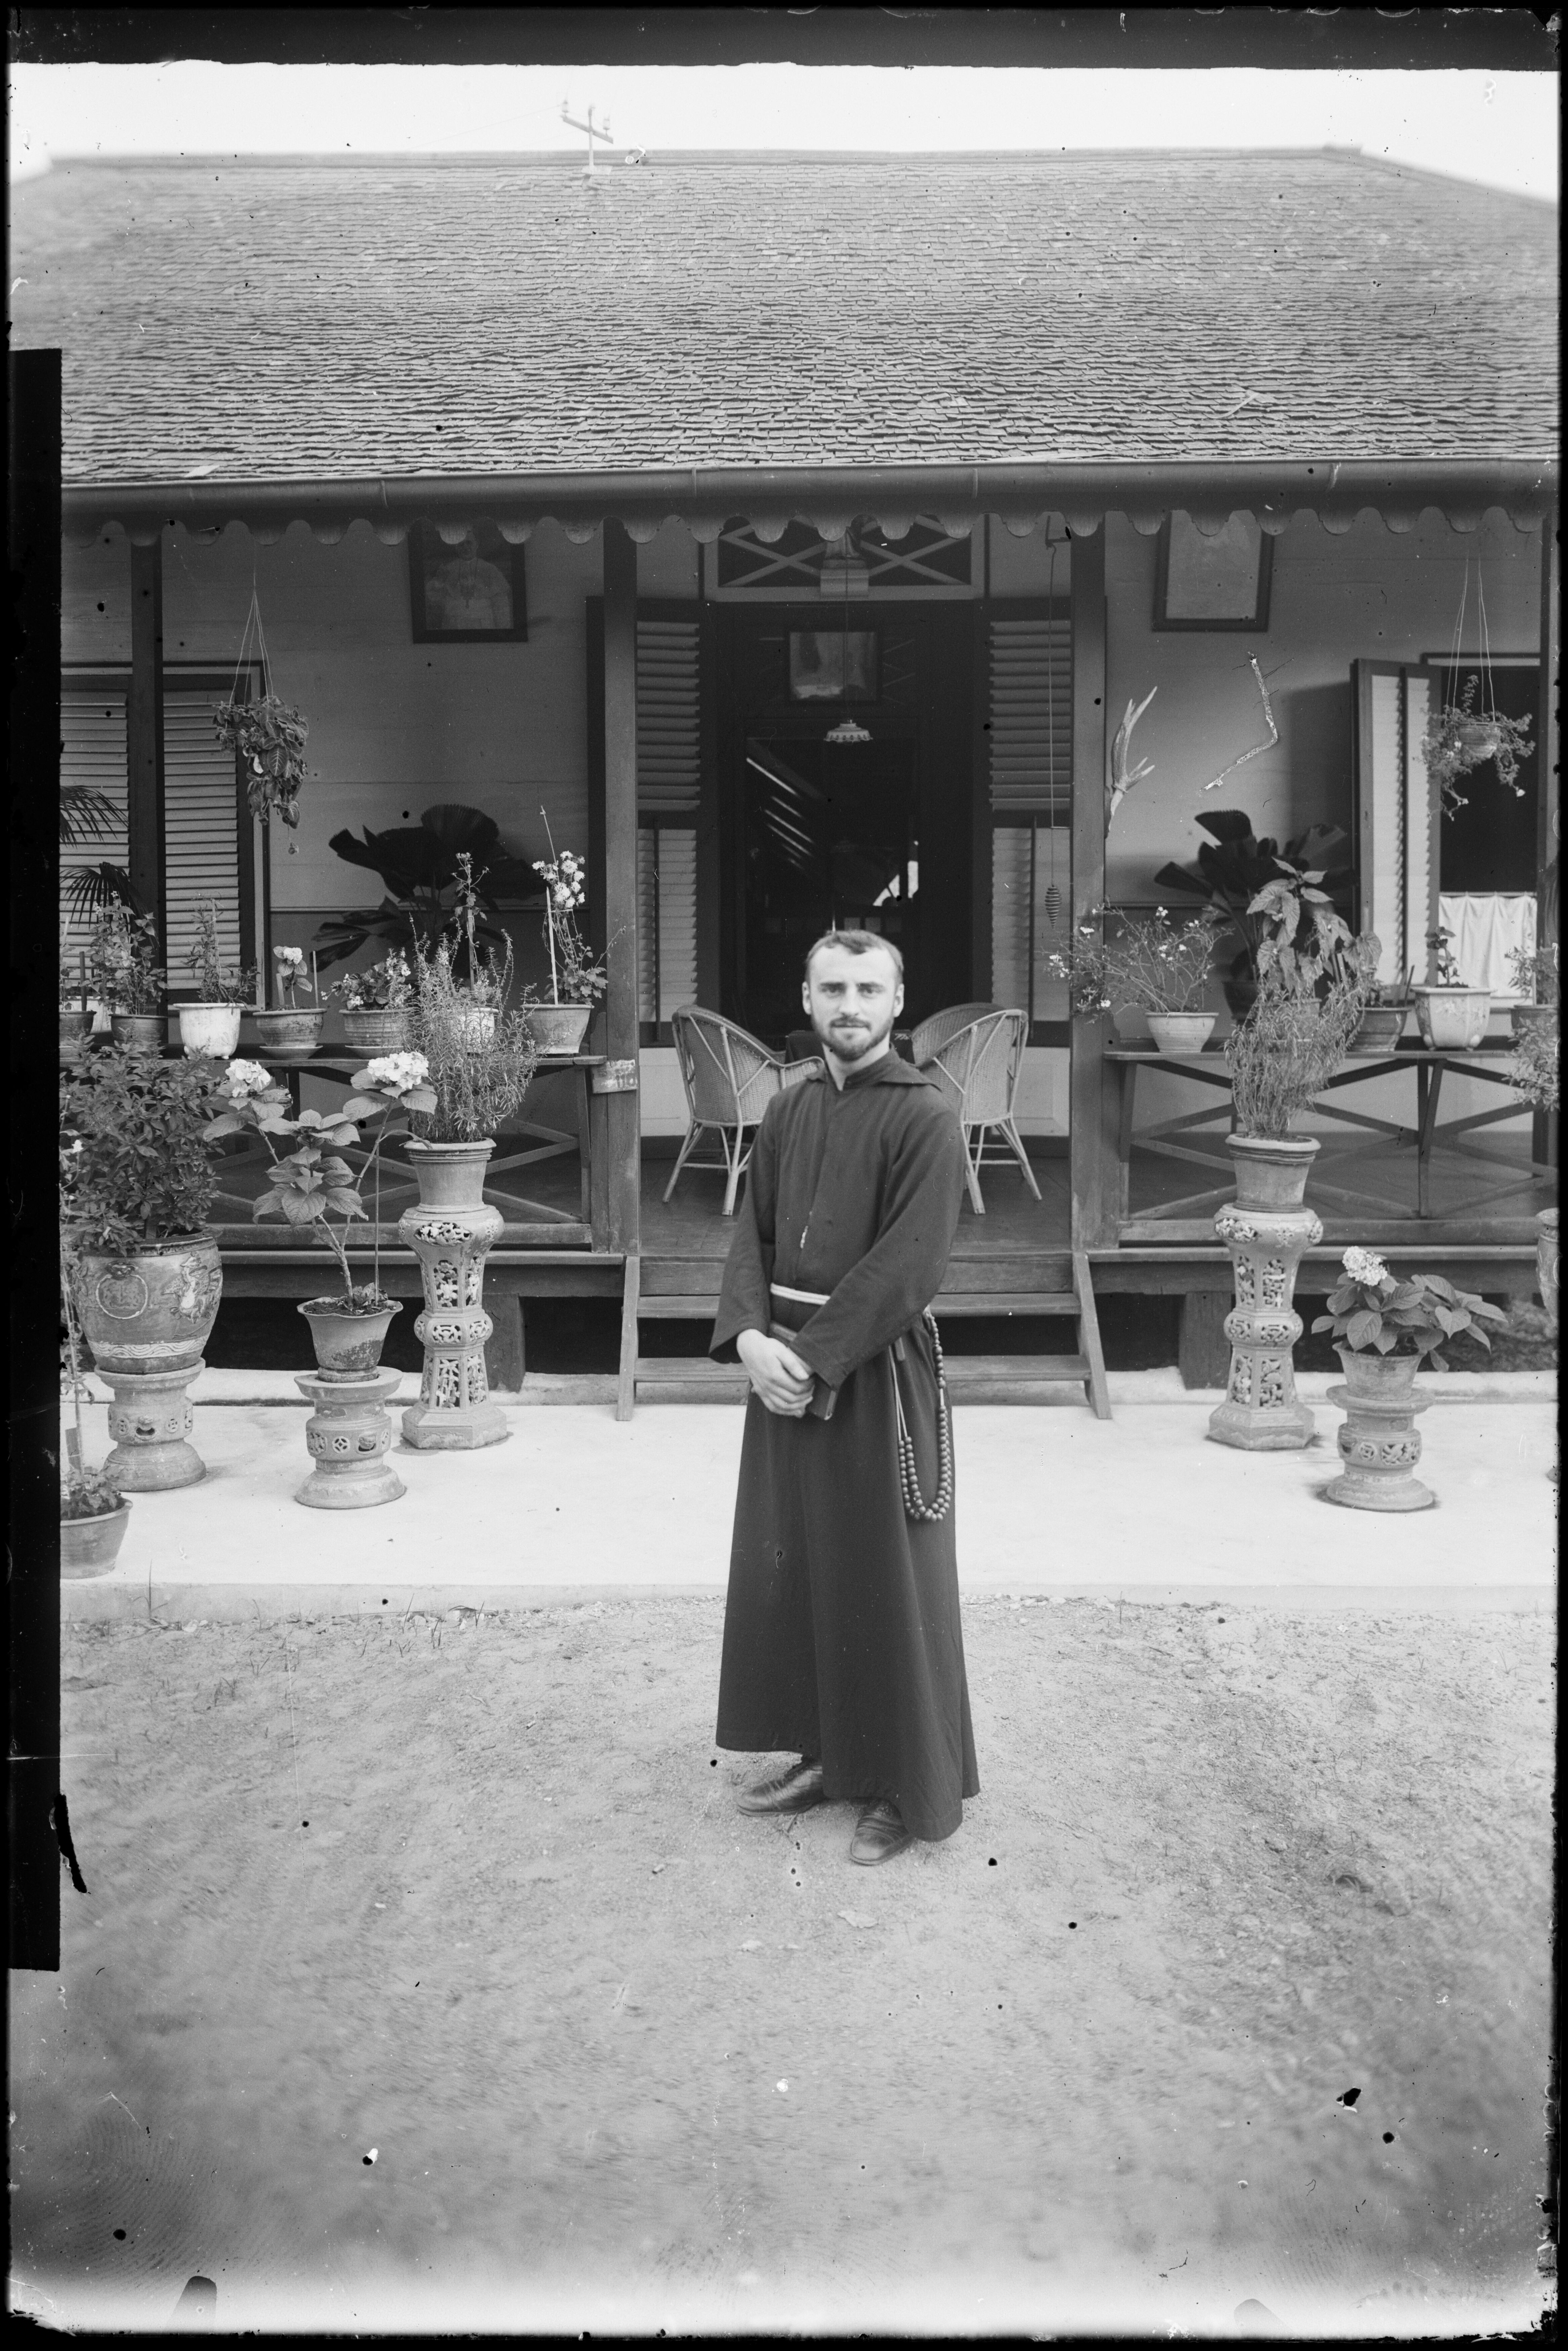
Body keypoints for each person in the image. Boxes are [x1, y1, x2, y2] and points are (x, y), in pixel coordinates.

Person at [710, 930, 979, 1865]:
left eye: (869, 989)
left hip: (873, 1371)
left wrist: (813, 1360)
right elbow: (751, 1235)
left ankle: (909, 1787)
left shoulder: (926, 1117)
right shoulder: (787, 1110)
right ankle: (831, 1755)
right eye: (833, 989)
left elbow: (911, 1265)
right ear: (808, 998)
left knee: (891, 1581)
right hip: (780, 1368)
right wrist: (751, 1340)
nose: (850, 1006)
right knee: (808, 1568)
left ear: (899, 1000)